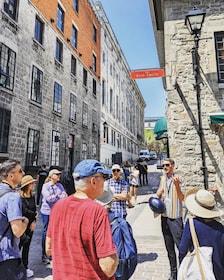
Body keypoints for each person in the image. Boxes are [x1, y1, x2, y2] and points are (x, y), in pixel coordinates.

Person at [45, 159, 118, 279]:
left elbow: (49, 248)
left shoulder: (58, 206)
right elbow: (108, 267)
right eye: (103, 177)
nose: (105, 181)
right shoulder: (97, 211)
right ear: (94, 181)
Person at [179, 189, 224, 280]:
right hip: (217, 274)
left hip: (198, 272)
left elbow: (182, 250)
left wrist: (182, 266)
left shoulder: (191, 224)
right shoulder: (220, 228)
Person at [0, 159, 29, 280]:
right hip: (7, 255)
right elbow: (18, 231)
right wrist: (25, 221)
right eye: (20, 171)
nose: (23, 174)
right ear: (11, 175)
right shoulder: (12, 197)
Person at [156, 158, 185, 280]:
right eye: (163, 165)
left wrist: (177, 186)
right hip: (164, 217)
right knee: (169, 248)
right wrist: (159, 193)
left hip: (175, 218)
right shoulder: (163, 178)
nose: (165, 167)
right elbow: (158, 194)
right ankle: (174, 274)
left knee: (181, 247)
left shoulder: (179, 179)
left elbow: (182, 197)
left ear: (173, 166)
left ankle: (184, 272)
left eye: (167, 165)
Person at [40, 169, 67, 264]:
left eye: (59, 174)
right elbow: (48, 198)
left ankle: (52, 253)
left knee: (56, 232)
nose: (59, 175)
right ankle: (44, 254)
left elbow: (65, 196)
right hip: (47, 212)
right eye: (57, 174)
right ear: (51, 176)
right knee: (46, 232)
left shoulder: (60, 186)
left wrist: (56, 196)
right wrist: (59, 196)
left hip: (57, 212)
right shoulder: (46, 186)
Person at [18, 175, 38, 278]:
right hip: (21, 225)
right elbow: (24, 210)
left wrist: (34, 221)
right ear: (27, 185)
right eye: (32, 183)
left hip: (30, 225)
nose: (34, 185)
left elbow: (34, 209)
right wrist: (34, 215)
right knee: (18, 246)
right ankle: (15, 267)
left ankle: (25, 267)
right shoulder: (19, 196)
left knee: (27, 247)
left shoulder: (32, 195)